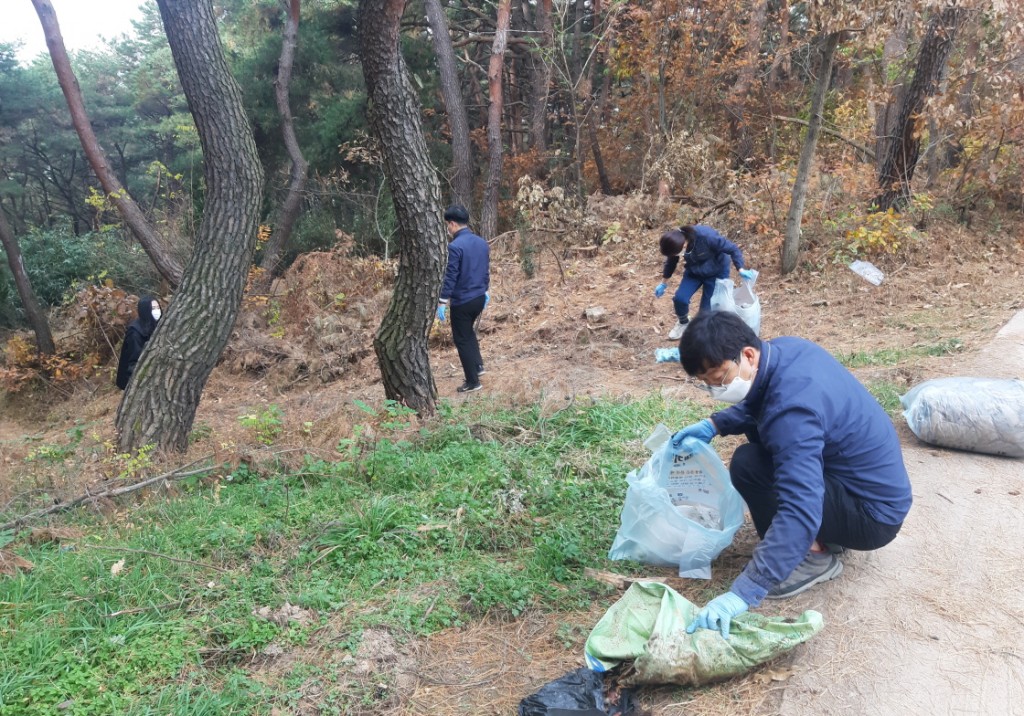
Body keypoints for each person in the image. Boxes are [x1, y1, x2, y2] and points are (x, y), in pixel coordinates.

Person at [674, 311, 912, 639]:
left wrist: (745, 591)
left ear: (746, 355)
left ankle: (814, 558)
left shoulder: (793, 414)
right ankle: (825, 536)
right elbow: (761, 398)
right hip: (865, 488)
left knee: (749, 467)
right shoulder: (785, 351)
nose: (717, 390)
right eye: (708, 385)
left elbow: (800, 508)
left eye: (720, 379)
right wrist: (716, 424)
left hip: (873, 515)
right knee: (752, 460)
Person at [654, 224, 755, 340]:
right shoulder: (677, 244)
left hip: (716, 273)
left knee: (705, 313)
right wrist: (663, 283)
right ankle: (683, 323)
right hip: (694, 271)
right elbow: (671, 263)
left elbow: (733, 249)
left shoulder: (707, 237)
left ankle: (706, 334)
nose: (676, 256)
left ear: (684, 244)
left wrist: (740, 268)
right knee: (680, 299)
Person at [437, 204, 490, 393]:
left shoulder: (455, 246)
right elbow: (485, 270)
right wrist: (485, 290)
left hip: (463, 300)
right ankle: (478, 366)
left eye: (447, 226)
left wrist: (442, 301)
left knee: (461, 338)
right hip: (479, 298)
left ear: (452, 224)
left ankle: (472, 381)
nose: (448, 230)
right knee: (468, 333)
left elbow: (451, 276)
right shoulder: (482, 242)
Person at [115, 295, 161, 390]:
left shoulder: (157, 325)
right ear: (145, 310)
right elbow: (134, 360)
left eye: (158, 307)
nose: (157, 311)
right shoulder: (135, 332)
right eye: (153, 308)